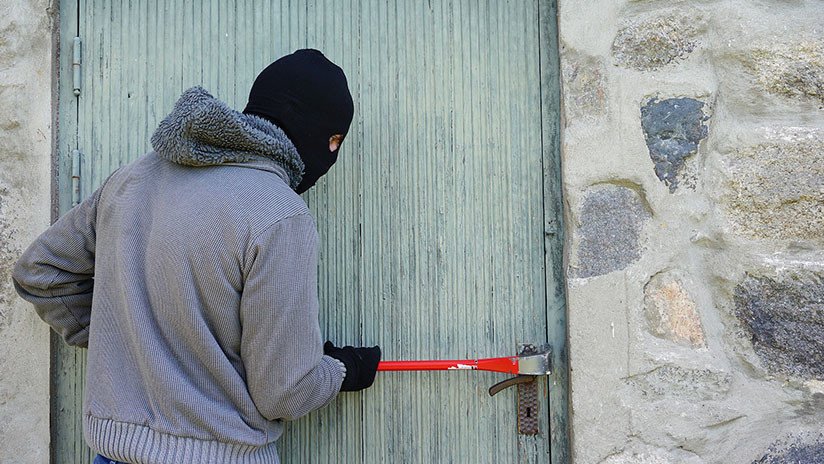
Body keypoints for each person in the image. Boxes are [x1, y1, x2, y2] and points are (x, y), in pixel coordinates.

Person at [12, 49, 381, 464]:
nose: (331, 153)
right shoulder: (279, 214)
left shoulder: (132, 179)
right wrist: (343, 369)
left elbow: (41, 273)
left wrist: (131, 337)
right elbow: (285, 390)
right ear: (311, 128)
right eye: (334, 140)